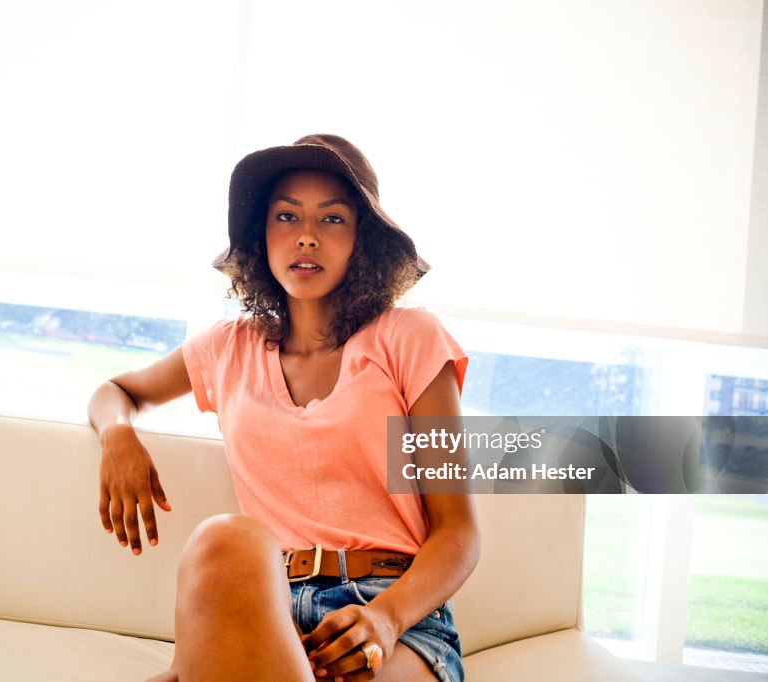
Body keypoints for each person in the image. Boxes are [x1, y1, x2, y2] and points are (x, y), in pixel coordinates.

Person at [88, 134, 480, 682]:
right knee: (225, 539)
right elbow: (116, 392)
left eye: (333, 219)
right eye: (286, 217)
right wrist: (117, 437)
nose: (307, 238)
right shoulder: (227, 347)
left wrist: (384, 621)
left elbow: (458, 534)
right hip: (266, 605)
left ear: (362, 240)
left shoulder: (409, 339)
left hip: (391, 614)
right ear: (262, 236)